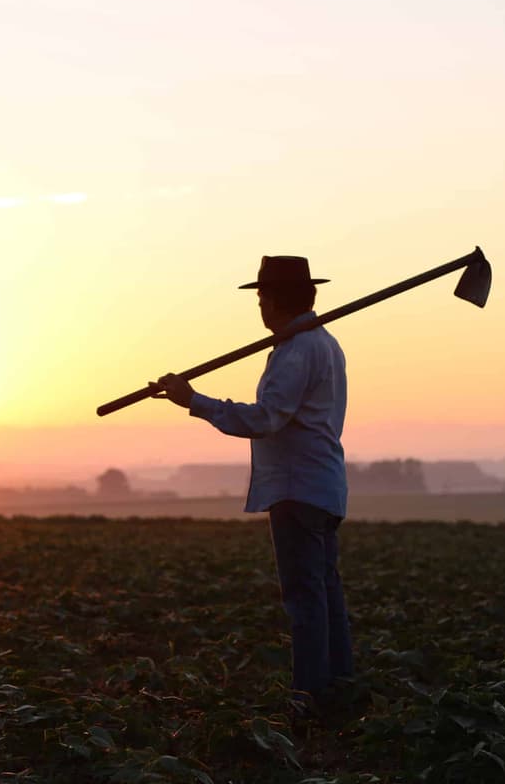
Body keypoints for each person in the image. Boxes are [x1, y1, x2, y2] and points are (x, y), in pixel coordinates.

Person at [151, 255, 353, 719]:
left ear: (276, 300)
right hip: (322, 484)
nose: (259, 306)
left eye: (262, 296)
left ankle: (309, 697)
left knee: (306, 596)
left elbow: (267, 418)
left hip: (298, 488)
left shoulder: (298, 350)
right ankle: (338, 686)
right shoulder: (322, 344)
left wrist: (194, 401)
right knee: (325, 592)